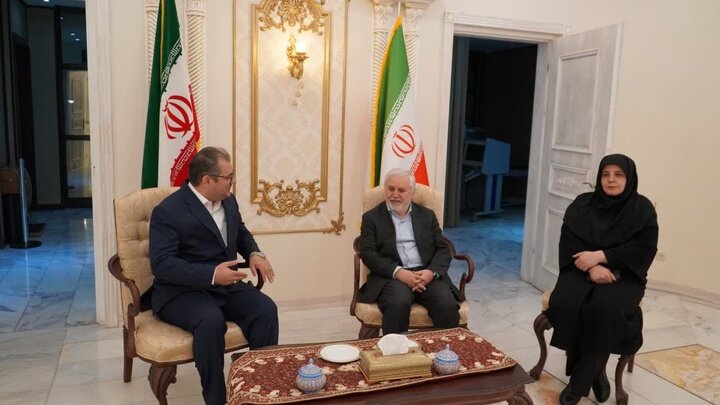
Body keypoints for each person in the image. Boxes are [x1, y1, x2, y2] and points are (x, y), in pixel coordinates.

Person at [149, 146, 278, 405]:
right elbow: (162, 264)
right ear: (207, 180)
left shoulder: (228, 200)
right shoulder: (168, 211)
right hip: (181, 291)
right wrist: (211, 274)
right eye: (229, 177)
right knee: (210, 322)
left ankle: (258, 389)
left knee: (265, 309)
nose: (233, 181)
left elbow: (241, 232)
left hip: (224, 285)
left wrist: (254, 252)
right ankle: (216, 398)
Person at [546, 154, 658, 405]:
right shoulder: (583, 204)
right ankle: (596, 370)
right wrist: (592, 268)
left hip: (625, 274)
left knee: (604, 308)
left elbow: (643, 249)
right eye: (605, 174)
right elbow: (569, 241)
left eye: (618, 175)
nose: (611, 180)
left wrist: (601, 256)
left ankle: (578, 385)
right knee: (567, 302)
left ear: (629, 178)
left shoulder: (642, 209)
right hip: (580, 268)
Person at [357, 168, 463, 334]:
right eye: (391, 189)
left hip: (426, 274)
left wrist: (430, 272)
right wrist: (398, 272)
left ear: (412, 192)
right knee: (397, 304)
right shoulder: (372, 218)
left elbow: (443, 249)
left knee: (445, 304)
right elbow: (368, 253)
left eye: (401, 190)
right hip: (392, 276)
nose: (395, 194)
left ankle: (443, 348)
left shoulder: (427, 215)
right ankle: (396, 350)